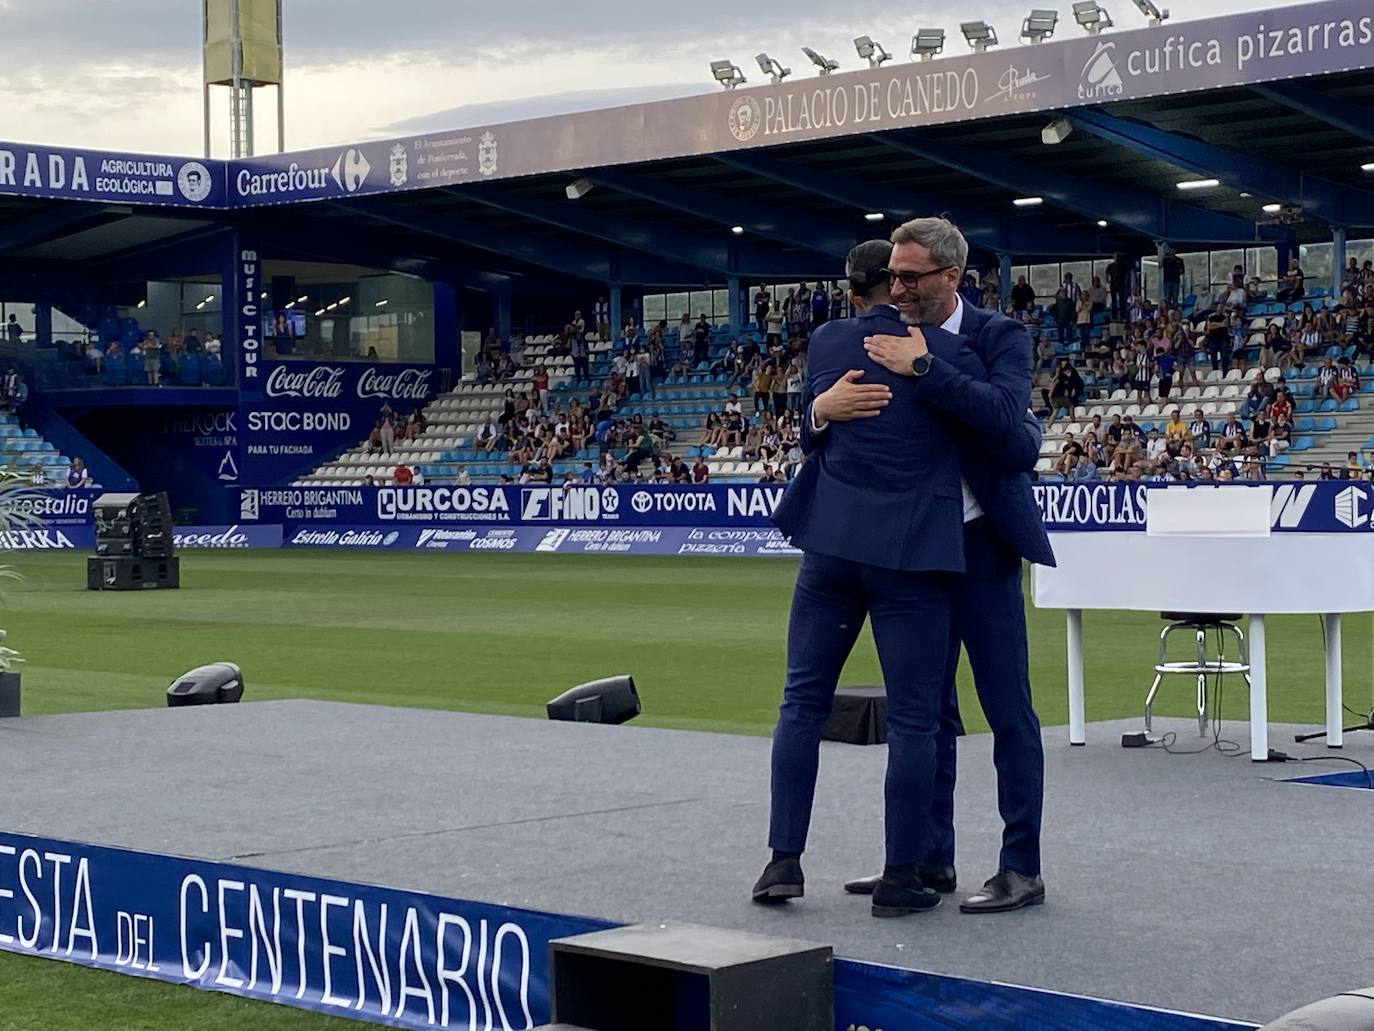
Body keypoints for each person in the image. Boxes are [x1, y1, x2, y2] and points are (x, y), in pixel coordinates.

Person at [753, 239, 993, 918]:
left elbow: (813, 427)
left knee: (801, 701)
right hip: (912, 554)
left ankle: (782, 861)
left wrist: (821, 413)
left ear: (851, 289)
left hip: (831, 545)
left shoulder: (828, 342)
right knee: (916, 719)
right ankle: (900, 874)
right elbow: (995, 426)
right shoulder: (947, 354)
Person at [827, 219, 1055, 914]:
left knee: (1007, 708)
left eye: (910, 278)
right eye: (892, 276)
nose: (895, 288)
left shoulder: (999, 336)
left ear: (952, 277)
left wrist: (924, 366)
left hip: (982, 548)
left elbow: (1009, 425)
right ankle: (927, 858)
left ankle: (1021, 865)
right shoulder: (881, 334)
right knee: (927, 716)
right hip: (916, 553)